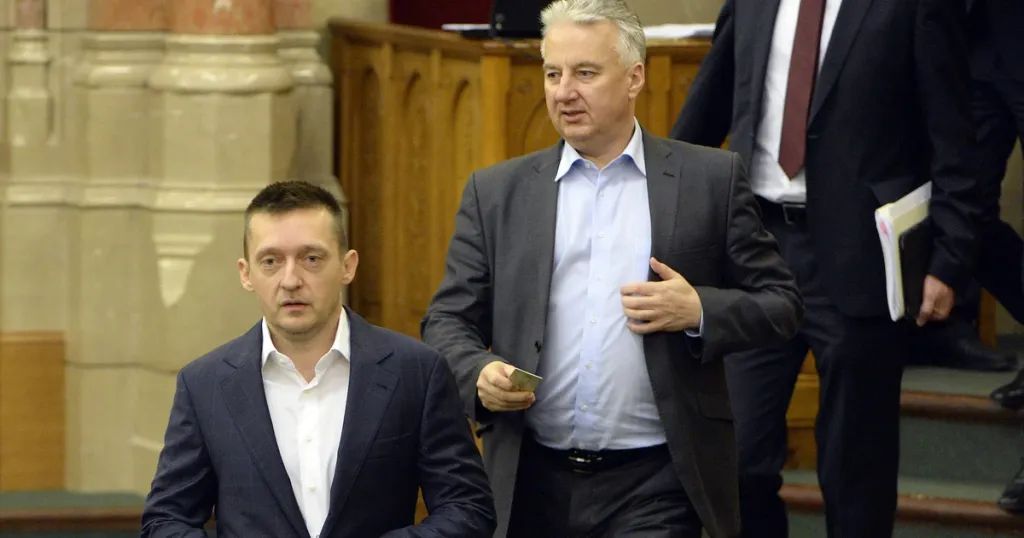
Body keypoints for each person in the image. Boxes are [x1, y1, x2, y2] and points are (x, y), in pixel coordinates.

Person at [422, 1, 803, 536]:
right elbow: (446, 321)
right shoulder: (497, 193)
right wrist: (477, 373)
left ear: (633, 78)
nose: (563, 92)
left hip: (657, 483)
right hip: (530, 478)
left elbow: (781, 305)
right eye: (552, 74)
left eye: (585, 73)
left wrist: (699, 310)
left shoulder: (709, 181)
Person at [671, 0, 979, 536]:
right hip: (755, 249)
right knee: (736, 458)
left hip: (863, 256)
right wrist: (657, 205)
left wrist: (950, 260)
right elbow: (707, 107)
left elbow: (953, 137)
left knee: (855, 471)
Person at [142, 181, 495, 537]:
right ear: (246, 274)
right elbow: (165, 521)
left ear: (347, 266)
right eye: (270, 261)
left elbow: (468, 508)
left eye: (311, 259)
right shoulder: (205, 385)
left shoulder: (416, 371)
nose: (291, 280)